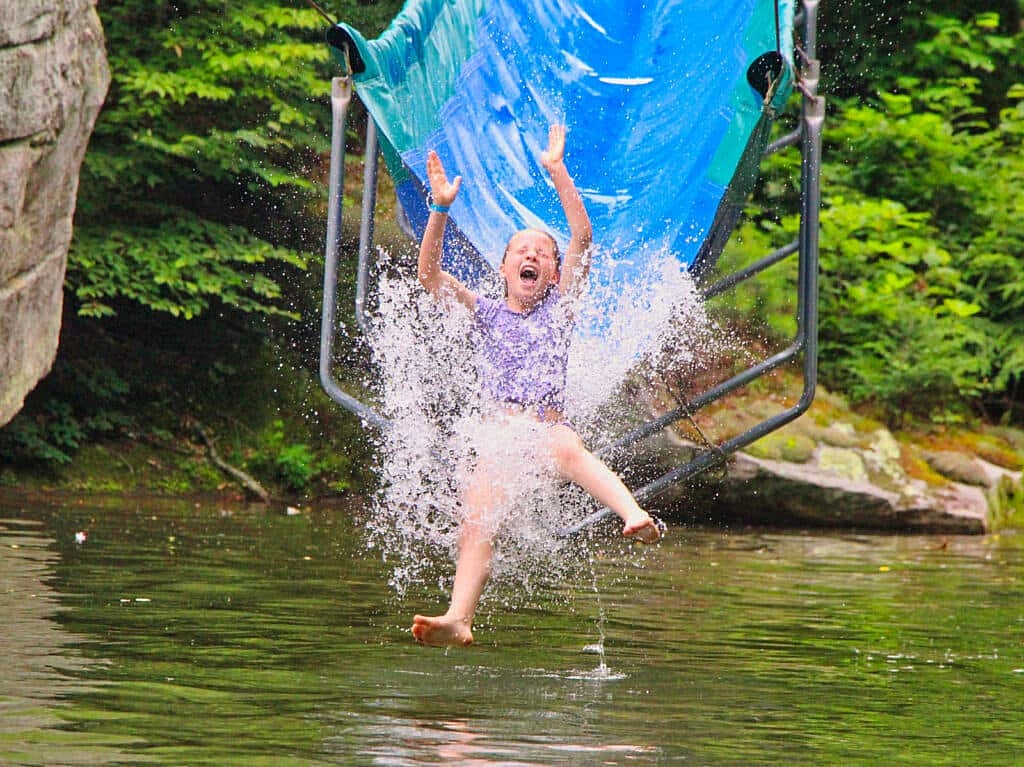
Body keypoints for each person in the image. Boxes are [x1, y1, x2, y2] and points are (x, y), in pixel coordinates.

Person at [411, 124, 663, 648]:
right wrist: (439, 210)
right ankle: (459, 616)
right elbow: (430, 276)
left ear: (552, 274)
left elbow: (584, 238)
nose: (532, 255)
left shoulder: (561, 310)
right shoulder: (484, 312)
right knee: (478, 516)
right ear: (503, 268)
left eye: (542, 253)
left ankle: (633, 513)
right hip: (499, 437)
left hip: (546, 429)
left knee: (567, 445)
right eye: (521, 250)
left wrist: (558, 173)